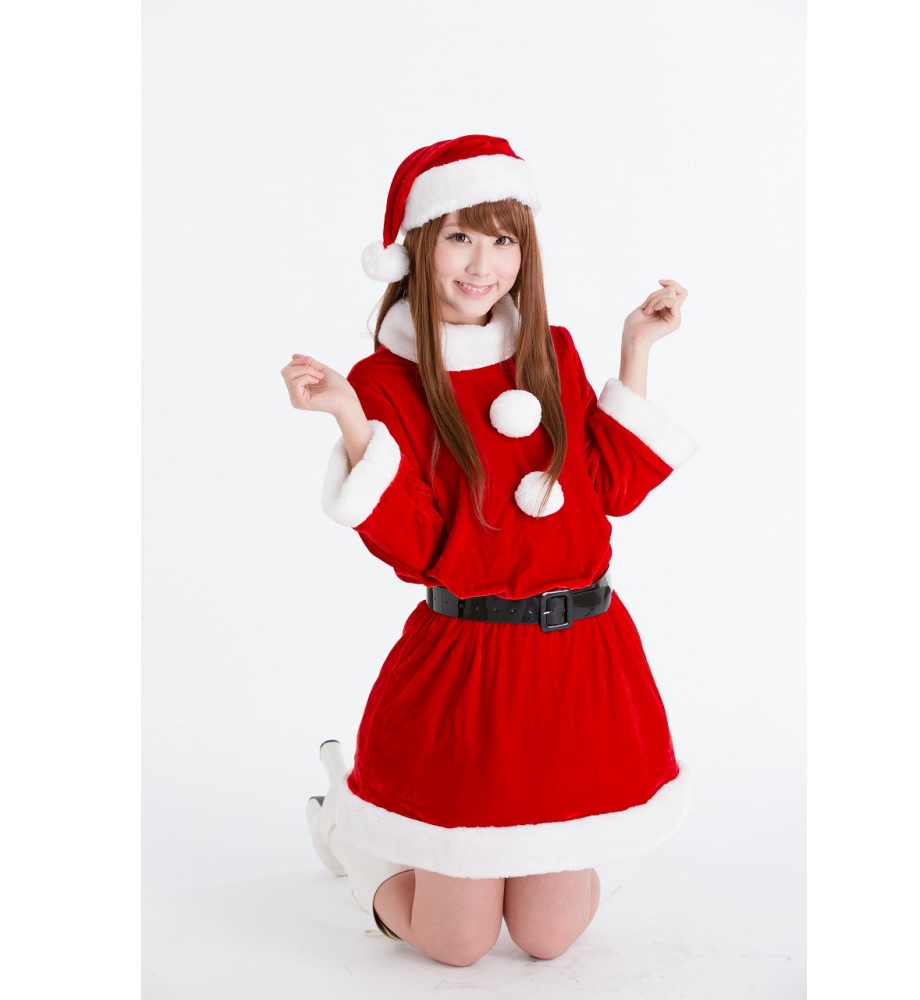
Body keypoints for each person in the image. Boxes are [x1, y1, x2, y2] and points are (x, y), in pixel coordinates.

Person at [280, 134, 697, 967]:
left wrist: (636, 351)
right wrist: (350, 419)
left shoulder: (552, 351)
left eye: (503, 238)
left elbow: (608, 487)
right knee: (458, 942)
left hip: (577, 663)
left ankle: (476, 860)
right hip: (470, 671)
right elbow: (416, 548)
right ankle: (349, 833)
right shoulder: (387, 381)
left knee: (547, 936)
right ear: (417, 248)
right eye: (460, 236)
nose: (483, 263)